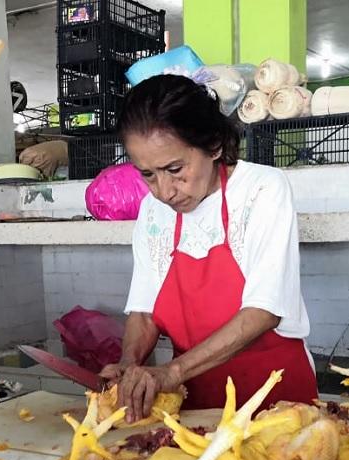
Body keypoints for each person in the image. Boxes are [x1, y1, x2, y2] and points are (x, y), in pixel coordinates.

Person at [99, 74, 318, 423]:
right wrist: (129, 364)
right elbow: (144, 312)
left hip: (276, 403)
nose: (164, 191)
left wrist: (171, 372)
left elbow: (265, 311)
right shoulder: (153, 212)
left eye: (175, 169)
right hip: (193, 403)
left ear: (214, 145)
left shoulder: (262, 190)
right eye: (148, 175)